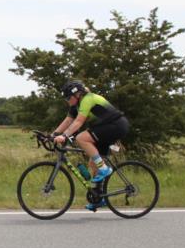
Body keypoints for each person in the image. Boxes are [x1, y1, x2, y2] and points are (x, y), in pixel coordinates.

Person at [51, 80, 130, 211]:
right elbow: (69, 120)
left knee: (81, 138)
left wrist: (64, 136)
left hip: (116, 125)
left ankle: (104, 169)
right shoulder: (76, 105)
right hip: (109, 127)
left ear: (77, 95)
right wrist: (54, 134)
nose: (67, 100)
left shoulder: (88, 99)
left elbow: (78, 122)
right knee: (93, 164)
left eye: (68, 97)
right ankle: (99, 198)